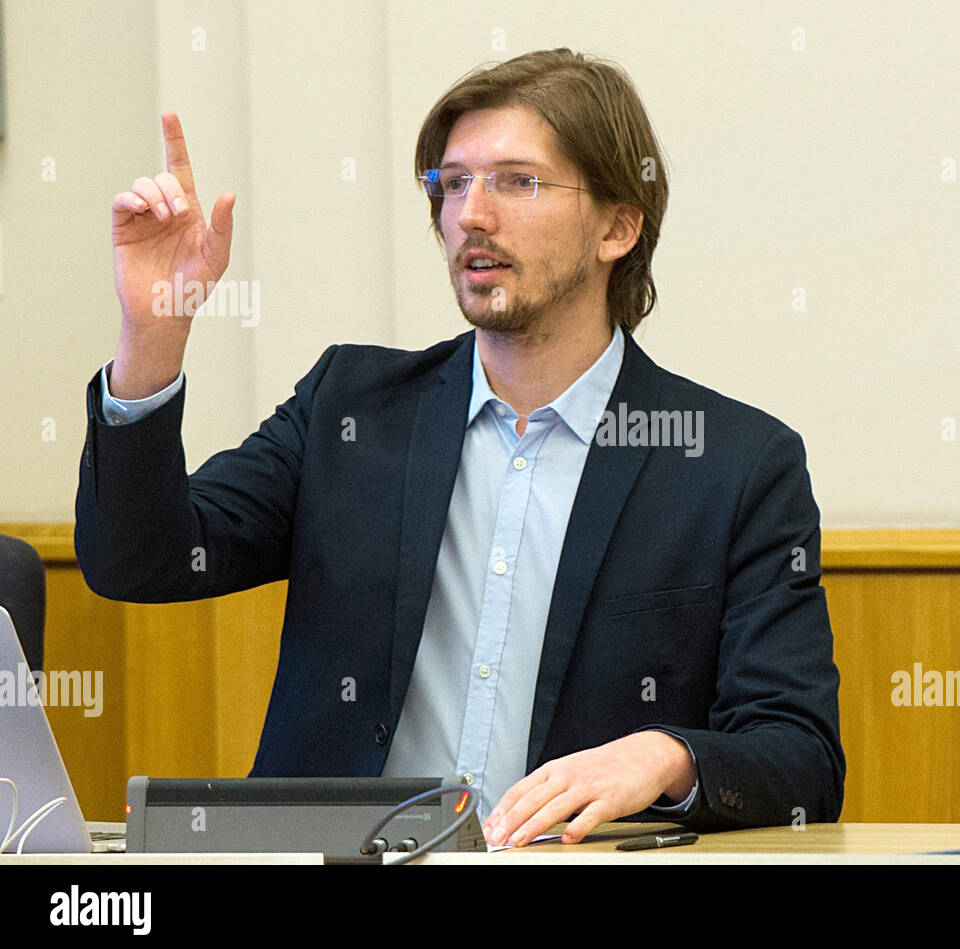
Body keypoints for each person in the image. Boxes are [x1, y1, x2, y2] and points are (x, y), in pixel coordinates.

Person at [76, 48, 844, 846]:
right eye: (453, 182)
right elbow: (137, 560)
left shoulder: (734, 464)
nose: (472, 213)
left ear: (618, 226)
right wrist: (151, 337)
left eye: (519, 181)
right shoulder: (350, 409)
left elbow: (801, 759)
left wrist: (667, 754)